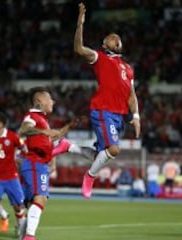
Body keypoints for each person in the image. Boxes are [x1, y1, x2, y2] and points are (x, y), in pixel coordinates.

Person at [74, 2, 141, 199]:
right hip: (102, 110)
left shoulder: (128, 68)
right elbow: (78, 48)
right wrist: (80, 23)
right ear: (105, 45)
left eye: (117, 37)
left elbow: (132, 95)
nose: (115, 37)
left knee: (100, 156)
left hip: (119, 116)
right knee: (114, 149)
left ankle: (68, 147)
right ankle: (89, 177)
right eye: (110, 38)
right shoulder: (100, 58)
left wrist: (136, 116)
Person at [18, 87, 77, 240]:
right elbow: (24, 129)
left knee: (33, 203)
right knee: (40, 199)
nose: (53, 101)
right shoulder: (32, 116)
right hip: (34, 163)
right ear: (39, 100)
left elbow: (48, 141)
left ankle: (23, 233)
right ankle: (29, 237)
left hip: (39, 164)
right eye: (49, 98)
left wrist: (63, 131)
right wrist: (45, 132)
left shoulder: (43, 119)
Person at [0, 112, 28, 235]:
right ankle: (4, 215)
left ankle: (20, 227)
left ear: (0, 124)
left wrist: (20, 160)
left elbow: (25, 150)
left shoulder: (13, 137)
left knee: (19, 206)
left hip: (11, 177)